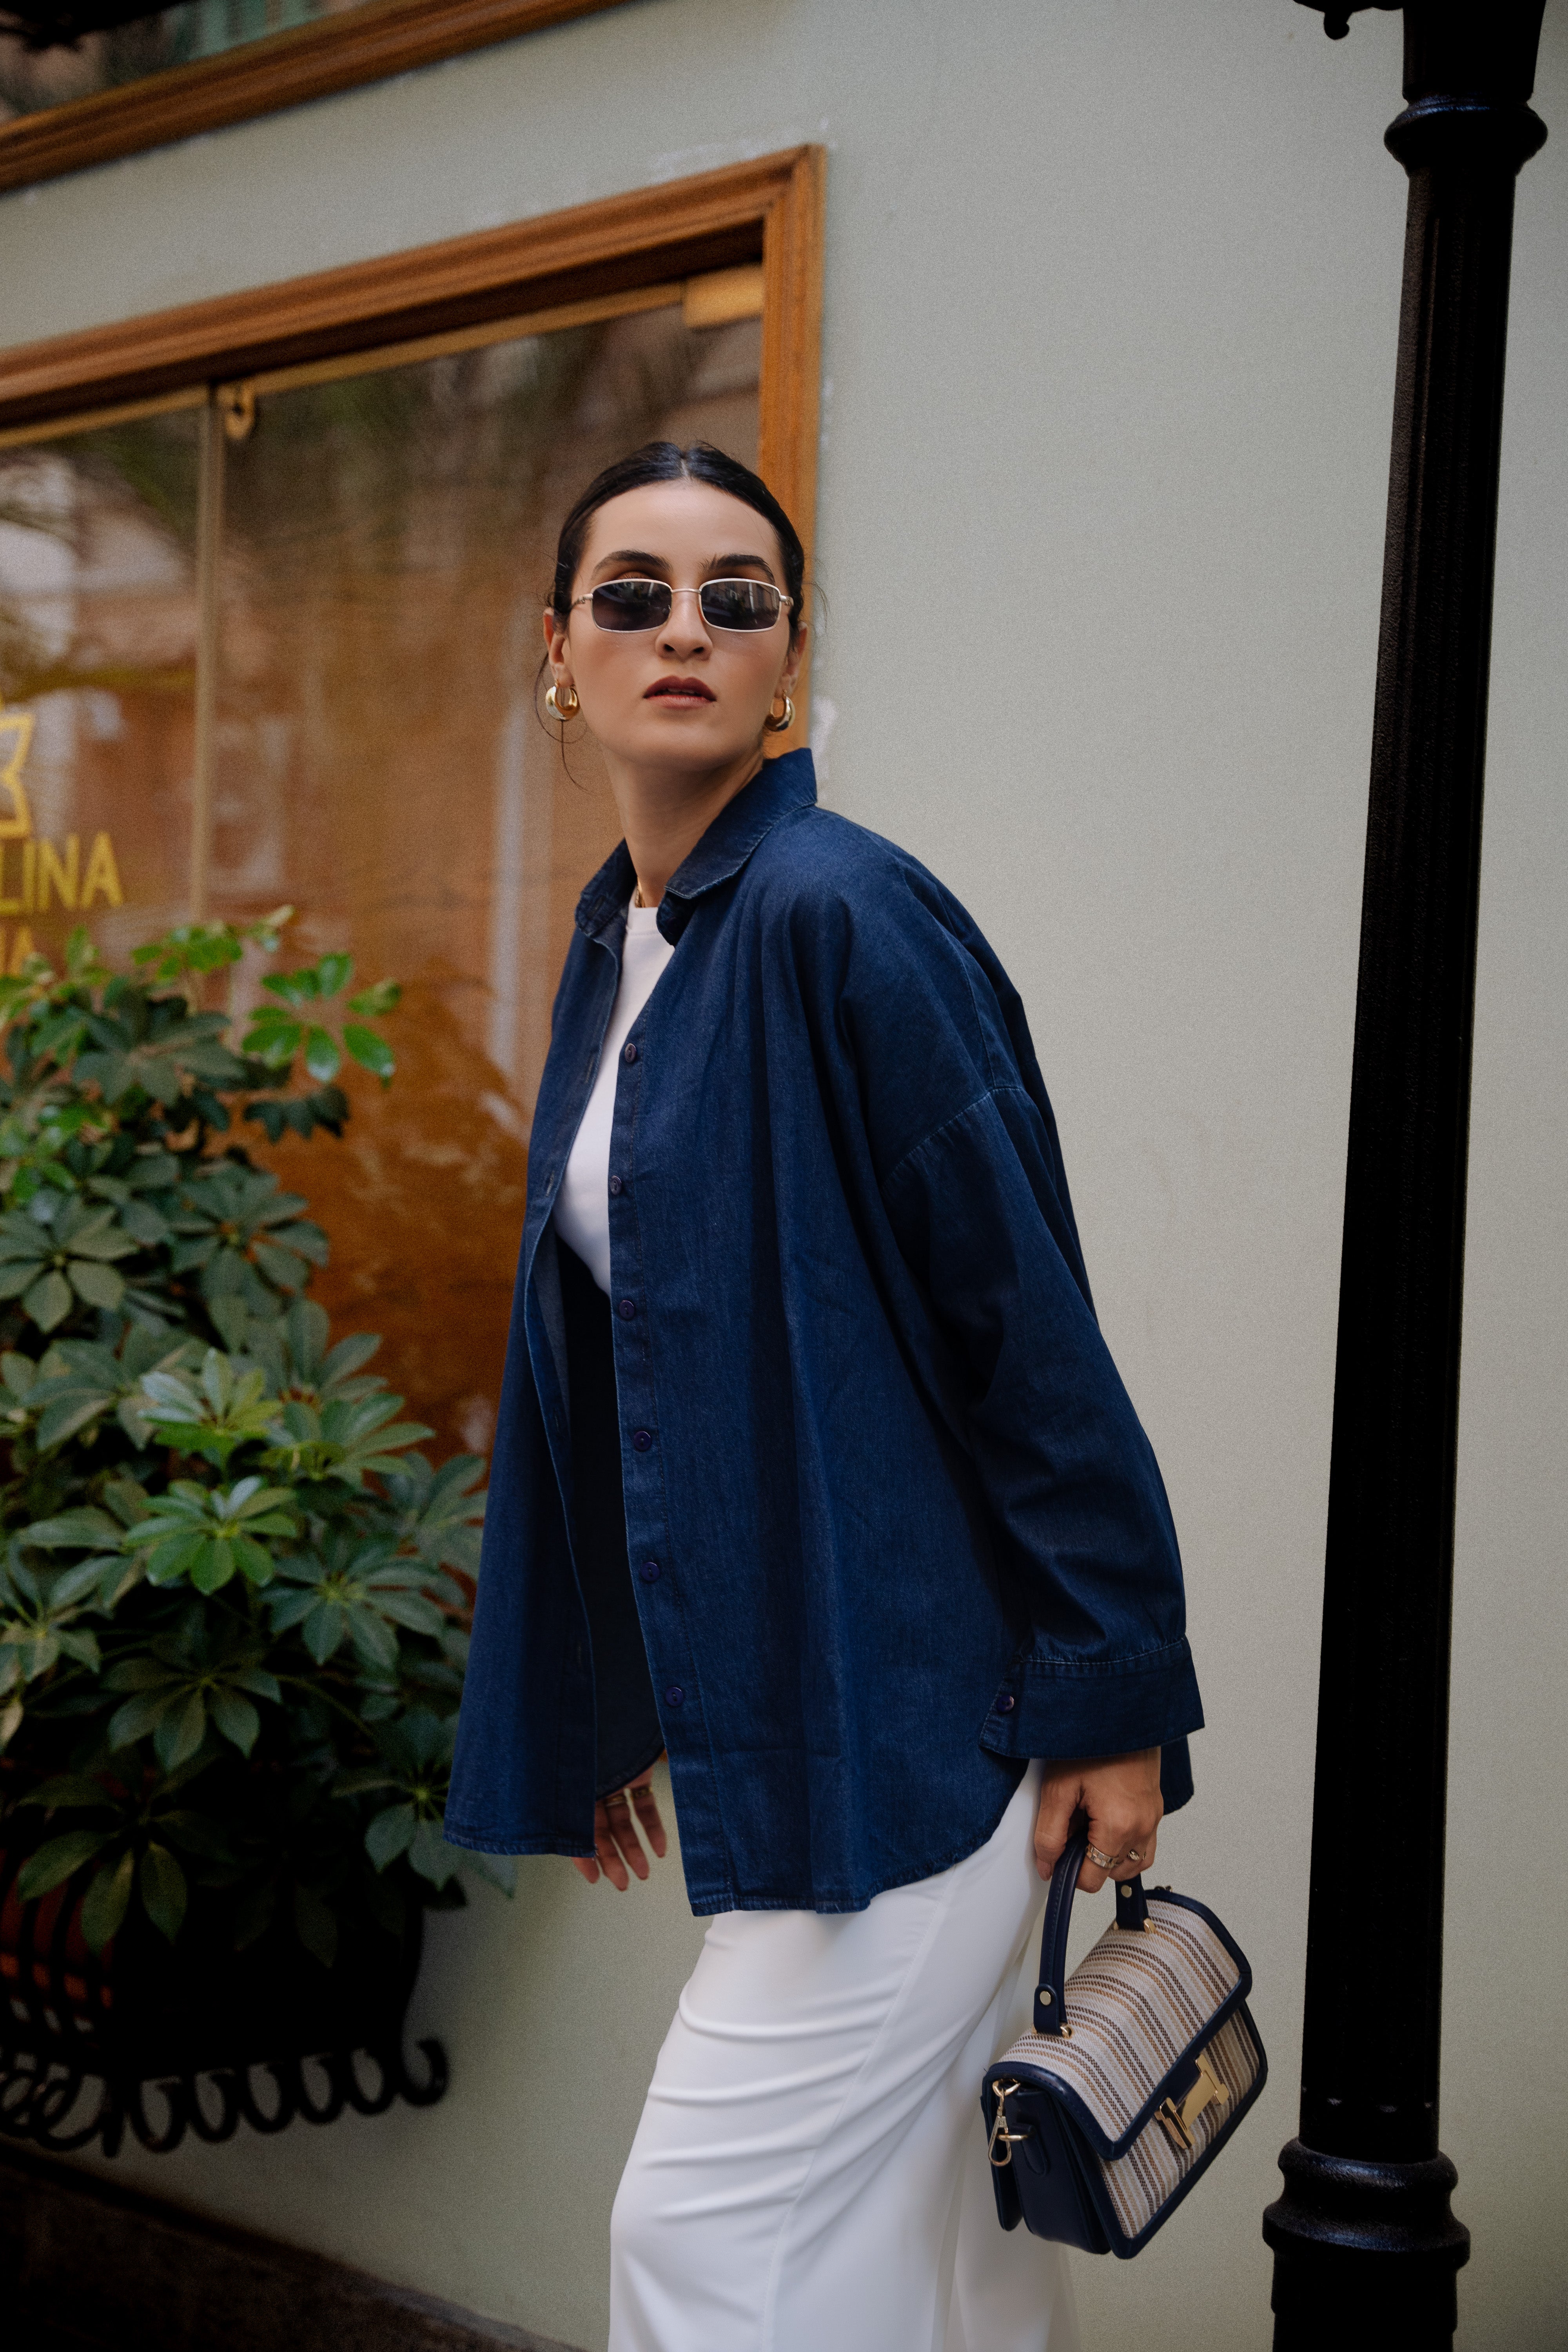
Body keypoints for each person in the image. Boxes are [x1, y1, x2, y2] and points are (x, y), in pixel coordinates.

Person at [446, 441, 1203, 2352]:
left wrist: (1115, 1693)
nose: (683, 630)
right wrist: (605, 1692)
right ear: (559, 650)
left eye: (737, 598)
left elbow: (1023, 1320)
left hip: (922, 1727)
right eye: (633, 595)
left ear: (791, 654)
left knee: (704, 2247)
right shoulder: (624, 941)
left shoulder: (840, 911)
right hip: (804, 1708)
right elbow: (621, 1360)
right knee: (934, 2274)